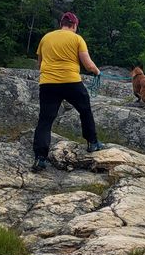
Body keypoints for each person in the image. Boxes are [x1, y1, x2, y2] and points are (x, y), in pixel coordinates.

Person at [32, 11, 104, 171]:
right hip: (71, 82)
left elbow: (39, 63)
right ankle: (93, 143)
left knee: (45, 121)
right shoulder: (77, 39)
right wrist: (97, 71)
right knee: (85, 110)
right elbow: (88, 65)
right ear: (75, 25)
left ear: (61, 24)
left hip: (48, 84)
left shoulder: (46, 38)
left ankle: (40, 158)